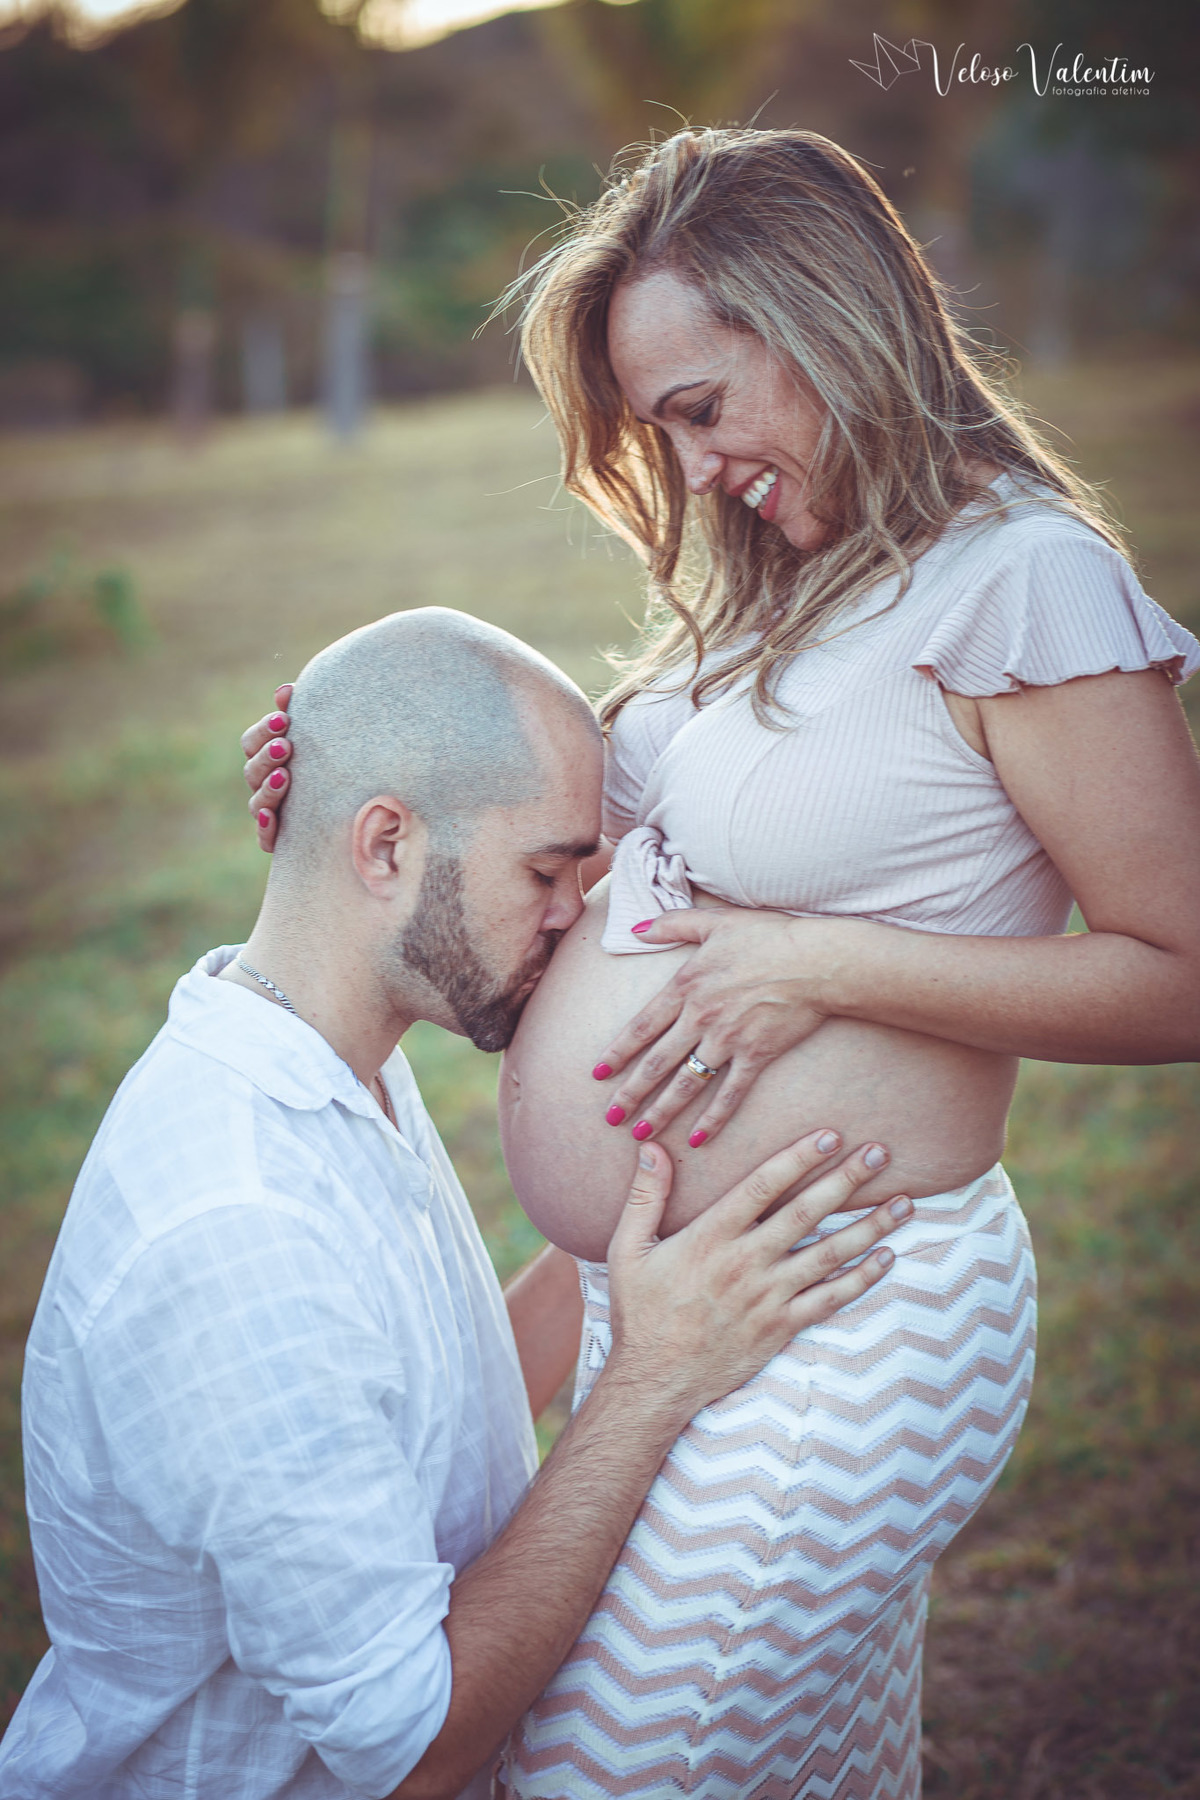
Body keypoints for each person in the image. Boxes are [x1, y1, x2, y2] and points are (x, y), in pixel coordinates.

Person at [244, 131, 1200, 1798]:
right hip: (668, 1299)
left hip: (854, 1308)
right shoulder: (776, 602)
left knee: (604, 1774)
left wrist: (818, 966)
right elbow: (598, 853)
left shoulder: (1020, 582)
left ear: (825, 322)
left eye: (702, 406)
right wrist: (360, 783)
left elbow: (1178, 971)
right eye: (657, 429)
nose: (689, 469)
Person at [0, 608, 909, 1800]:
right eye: (547, 869)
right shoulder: (236, 1226)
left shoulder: (334, 1061)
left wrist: (663, 1251)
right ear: (383, 845)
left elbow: (434, 1390)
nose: (572, 915)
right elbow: (413, 1751)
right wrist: (655, 1375)